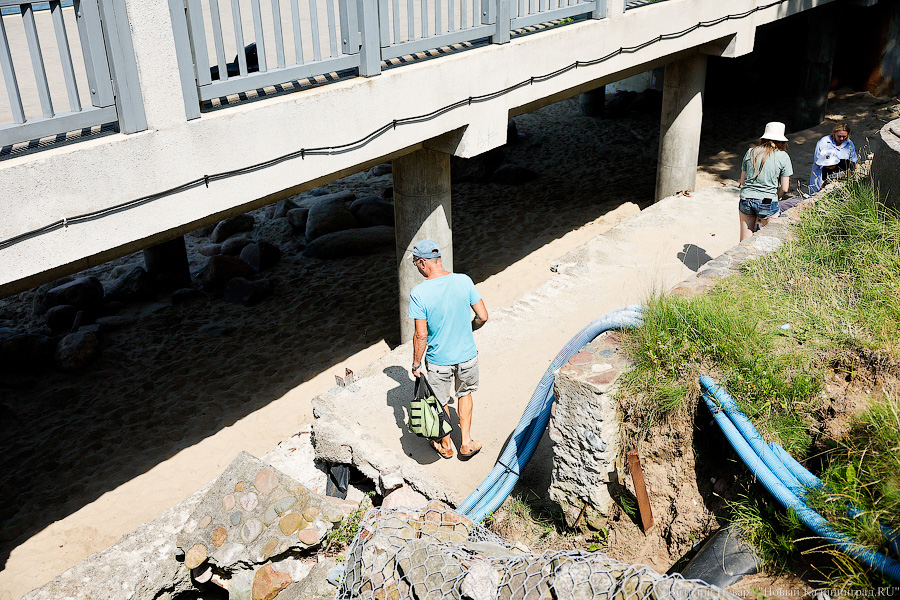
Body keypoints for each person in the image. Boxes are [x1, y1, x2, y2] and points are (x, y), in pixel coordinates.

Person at [408, 239, 488, 461]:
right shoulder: (464, 281)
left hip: (438, 361)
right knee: (465, 393)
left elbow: (421, 334)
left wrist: (416, 364)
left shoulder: (419, 292)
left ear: (423, 263)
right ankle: (466, 443)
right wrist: (469, 328)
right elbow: (483, 316)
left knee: (440, 401)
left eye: (416, 263)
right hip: (467, 355)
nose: (417, 267)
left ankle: (446, 445)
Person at [739, 122, 793, 241]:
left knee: (745, 241)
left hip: (746, 198)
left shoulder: (750, 152)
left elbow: (742, 181)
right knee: (771, 240)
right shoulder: (783, 156)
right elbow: (784, 188)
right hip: (767, 200)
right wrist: (777, 197)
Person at [808, 123, 858, 195]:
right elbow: (819, 162)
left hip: (841, 180)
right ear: (834, 133)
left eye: (844, 136)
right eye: (839, 136)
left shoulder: (849, 143)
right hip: (822, 178)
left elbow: (853, 161)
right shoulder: (823, 142)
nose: (841, 139)